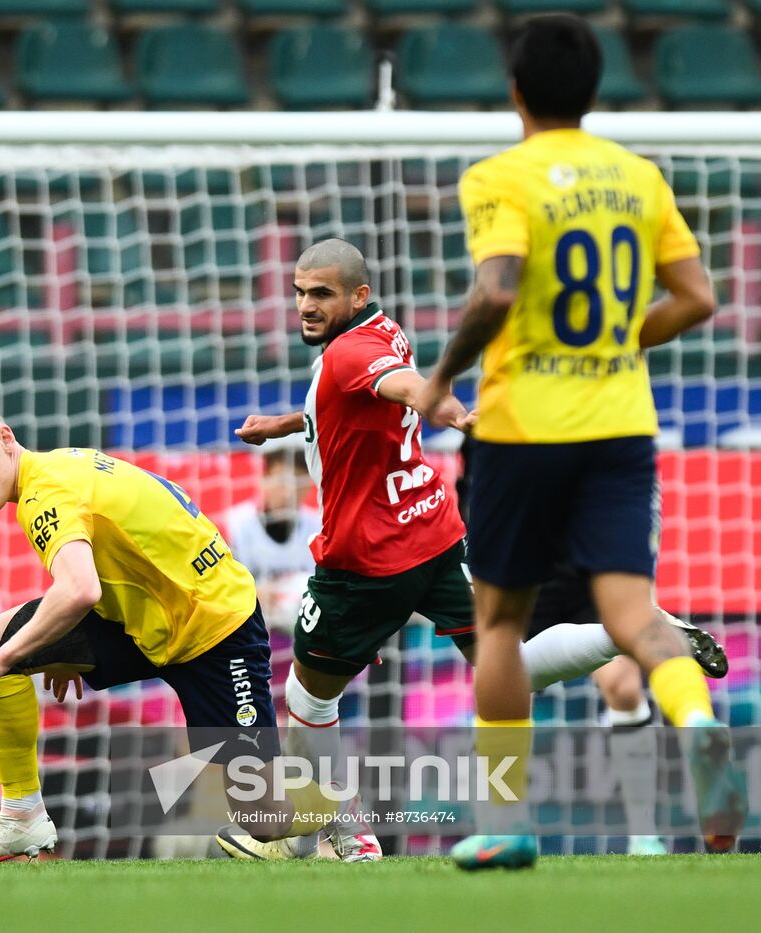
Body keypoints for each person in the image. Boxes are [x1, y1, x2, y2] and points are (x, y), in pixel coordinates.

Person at [413, 14, 747, 870]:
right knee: (632, 614)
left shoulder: (501, 177)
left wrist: (446, 375)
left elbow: (496, 290)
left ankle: (507, 819)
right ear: (594, 92)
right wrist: (616, 340)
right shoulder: (637, 176)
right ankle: (706, 736)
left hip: (525, 426)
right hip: (619, 424)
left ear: (517, 92)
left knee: (497, 623)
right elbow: (700, 297)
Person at [219, 238, 668, 864]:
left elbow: (406, 389)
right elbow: (361, 401)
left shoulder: (351, 353)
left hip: (365, 558)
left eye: (320, 293)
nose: (305, 305)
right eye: (299, 293)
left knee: (307, 699)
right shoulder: (384, 331)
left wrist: (454, 412)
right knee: (508, 666)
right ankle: (630, 632)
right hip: (435, 532)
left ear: (358, 295)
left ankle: (352, 839)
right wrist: (290, 424)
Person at [0, 390, 316, 868]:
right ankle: (21, 815)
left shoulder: (46, 493)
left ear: (6, 438)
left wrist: (6, 660)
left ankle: (344, 818)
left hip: (214, 627)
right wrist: (52, 643)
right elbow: (107, 564)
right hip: (143, 619)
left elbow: (79, 590)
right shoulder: (58, 466)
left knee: (263, 818)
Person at [458, 436, 730, 857]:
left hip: (554, 526)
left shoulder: (507, 412)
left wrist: (440, 387)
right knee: (508, 674)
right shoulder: (619, 420)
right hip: (589, 498)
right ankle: (695, 721)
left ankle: (640, 837)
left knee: (524, 673)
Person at [223, 437, 319, 632]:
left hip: (302, 631)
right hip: (248, 626)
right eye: (282, 481)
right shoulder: (235, 524)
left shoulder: (317, 527)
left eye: (299, 482)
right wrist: (253, 593)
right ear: (265, 479)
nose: (289, 492)